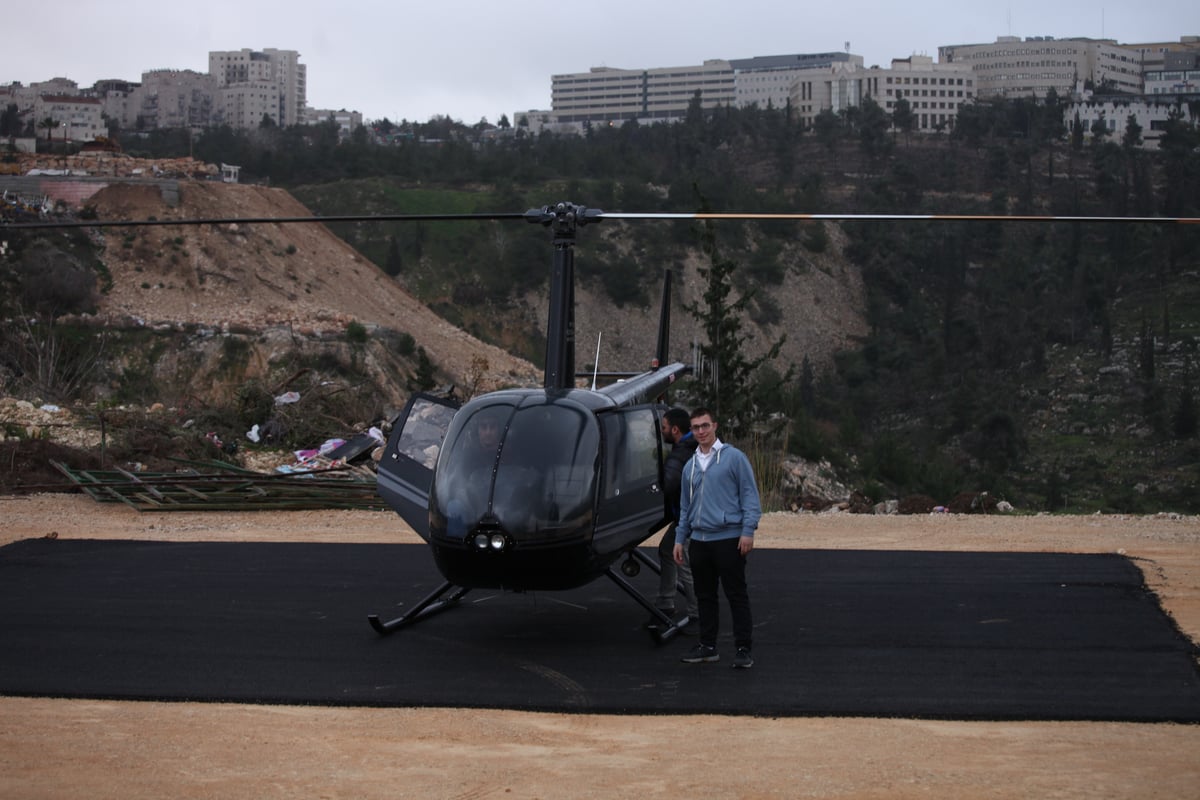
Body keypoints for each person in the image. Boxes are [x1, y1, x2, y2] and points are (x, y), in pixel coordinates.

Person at [673, 407, 761, 669]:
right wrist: (680, 539)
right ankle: (708, 646)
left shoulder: (734, 458)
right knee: (705, 596)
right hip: (699, 542)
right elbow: (685, 507)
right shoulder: (690, 466)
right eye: (696, 427)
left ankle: (743, 648)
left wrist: (748, 531)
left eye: (705, 426)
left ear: (715, 426)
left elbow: (750, 497)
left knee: (736, 594)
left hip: (728, 539)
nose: (701, 431)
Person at [648, 407, 698, 631]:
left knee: (685, 563)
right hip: (685, 518)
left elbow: (668, 485)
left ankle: (699, 616)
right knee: (667, 550)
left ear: (675, 430)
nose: (662, 431)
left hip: (689, 520)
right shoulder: (694, 445)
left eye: (665, 427)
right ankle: (666, 602)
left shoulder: (680, 455)